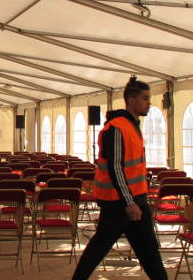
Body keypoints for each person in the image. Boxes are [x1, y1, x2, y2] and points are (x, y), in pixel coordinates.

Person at [71, 77, 167, 280]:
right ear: (131, 100)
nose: (149, 103)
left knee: (149, 251)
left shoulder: (132, 126)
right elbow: (115, 168)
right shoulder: (116, 128)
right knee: (100, 246)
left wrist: (135, 200)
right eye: (145, 98)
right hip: (118, 202)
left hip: (136, 199)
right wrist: (129, 202)